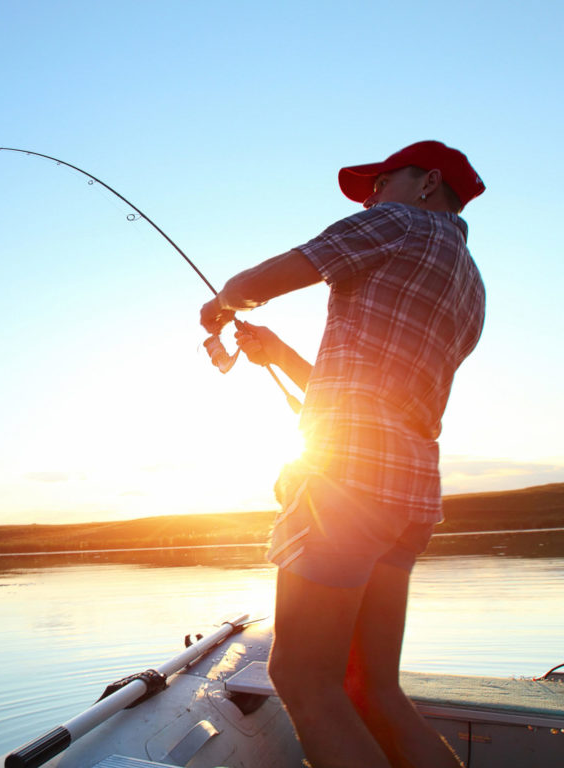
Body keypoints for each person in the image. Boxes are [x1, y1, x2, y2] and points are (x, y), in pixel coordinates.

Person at [199, 140, 486, 768]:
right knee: (373, 688)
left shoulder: (398, 221)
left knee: (304, 678)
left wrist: (221, 304)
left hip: (347, 486)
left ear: (427, 183)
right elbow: (375, 396)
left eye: (381, 182)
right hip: (408, 496)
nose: (371, 196)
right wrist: (277, 355)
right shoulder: (471, 284)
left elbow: (252, 285)